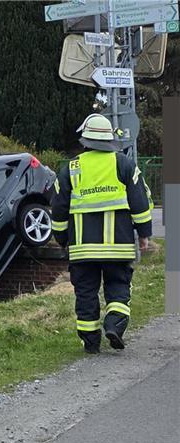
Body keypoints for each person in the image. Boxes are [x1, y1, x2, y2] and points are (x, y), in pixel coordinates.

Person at [51, 113, 153, 354]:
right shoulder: (124, 164)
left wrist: (62, 239)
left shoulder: (71, 169)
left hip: (83, 249)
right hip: (119, 246)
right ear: (109, 140)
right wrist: (144, 234)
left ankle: (91, 342)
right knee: (118, 286)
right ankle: (114, 325)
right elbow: (140, 202)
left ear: (85, 140)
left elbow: (59, 209)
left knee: (85, 292)